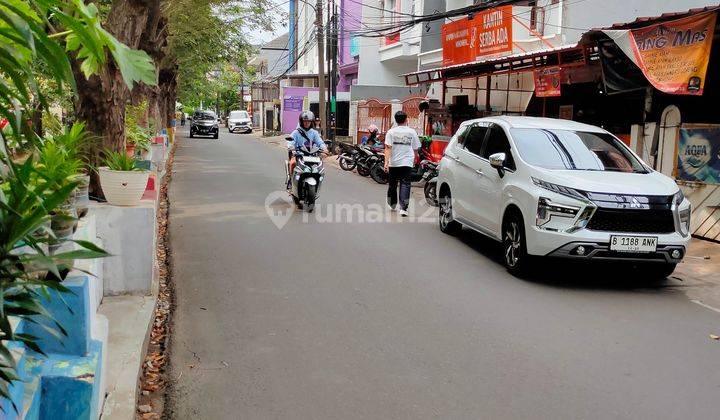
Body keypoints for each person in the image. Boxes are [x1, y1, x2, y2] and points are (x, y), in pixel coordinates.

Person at [383, 111, 420, 216]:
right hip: (407, 162)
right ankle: (403, 208)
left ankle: (392, 203)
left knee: (392, 184)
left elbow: (388, 148)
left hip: (394, 162)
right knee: (405, 184)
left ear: (395, 120)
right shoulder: (412, 132)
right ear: (406, 120)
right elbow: (416, 148)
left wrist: (386, 163)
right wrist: (415, 159)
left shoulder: (391, 132)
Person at [287, 110, 327, 189]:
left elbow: (320, 142)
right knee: (292, 163)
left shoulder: (314, 133)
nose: (306, 123)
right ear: (301, 122)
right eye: (305, 121)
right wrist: (291, 147)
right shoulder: (296, 132)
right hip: (298, 155)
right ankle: (291, 182)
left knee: (320, 167)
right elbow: (290, 142)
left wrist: (324, 149)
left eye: (308, 121)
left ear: (311, 122)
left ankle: (317, 183)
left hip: (312, 155)